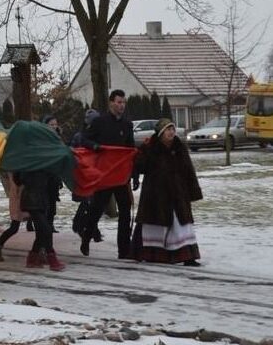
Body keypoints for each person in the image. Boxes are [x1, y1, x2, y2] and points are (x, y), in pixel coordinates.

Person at [132, 119, 203, 266]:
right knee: (154, 224)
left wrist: (193, 190)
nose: (171, 132)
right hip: (156, 194)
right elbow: (140, 166)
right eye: (167, 129)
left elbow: (189, 169)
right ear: (161, 132)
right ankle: (153, 254)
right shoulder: (151, 147)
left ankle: (187, 256)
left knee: (181, 224)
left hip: (178, 193)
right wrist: (143, 152)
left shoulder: (179, 147)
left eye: (172, 129)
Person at [81, 89, 136, 259]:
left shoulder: (127, 125)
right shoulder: (100, 122)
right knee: (97, 209)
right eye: (118, 102)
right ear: (111, 103)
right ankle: (86, 237)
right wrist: (96, 147)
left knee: (125, 211)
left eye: (123, 102)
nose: (121, 106)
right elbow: (84, 139)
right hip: (104, 175)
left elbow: (130, 152)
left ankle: (124, 249)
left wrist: (134, 176)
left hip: (121, 176)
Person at [13, 168, 66, 271]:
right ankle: (52, 260)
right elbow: (18, 180)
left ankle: (32, 259)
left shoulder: (45, 164)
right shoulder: (27, 165)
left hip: (43, 200)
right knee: (46, 229)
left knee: (42, 231)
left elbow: (53, 181)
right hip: (32, 200)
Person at [70, 109, 103, 242]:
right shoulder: (80, 136)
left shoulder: (100, 136)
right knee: (88, 202)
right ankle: (85, 228)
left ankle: (90, 230)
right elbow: (72, 151)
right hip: (83, 174)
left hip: (95, 174)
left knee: (91, 203)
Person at [42, 116, 63, 232]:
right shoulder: (42, 138)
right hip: (44, 176)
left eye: (55, 124)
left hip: (55, 175)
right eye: (51, 124)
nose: (54, 127)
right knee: (45, 203)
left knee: (52, 203)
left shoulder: (58, 138)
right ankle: (44, 226)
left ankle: (50, 224)